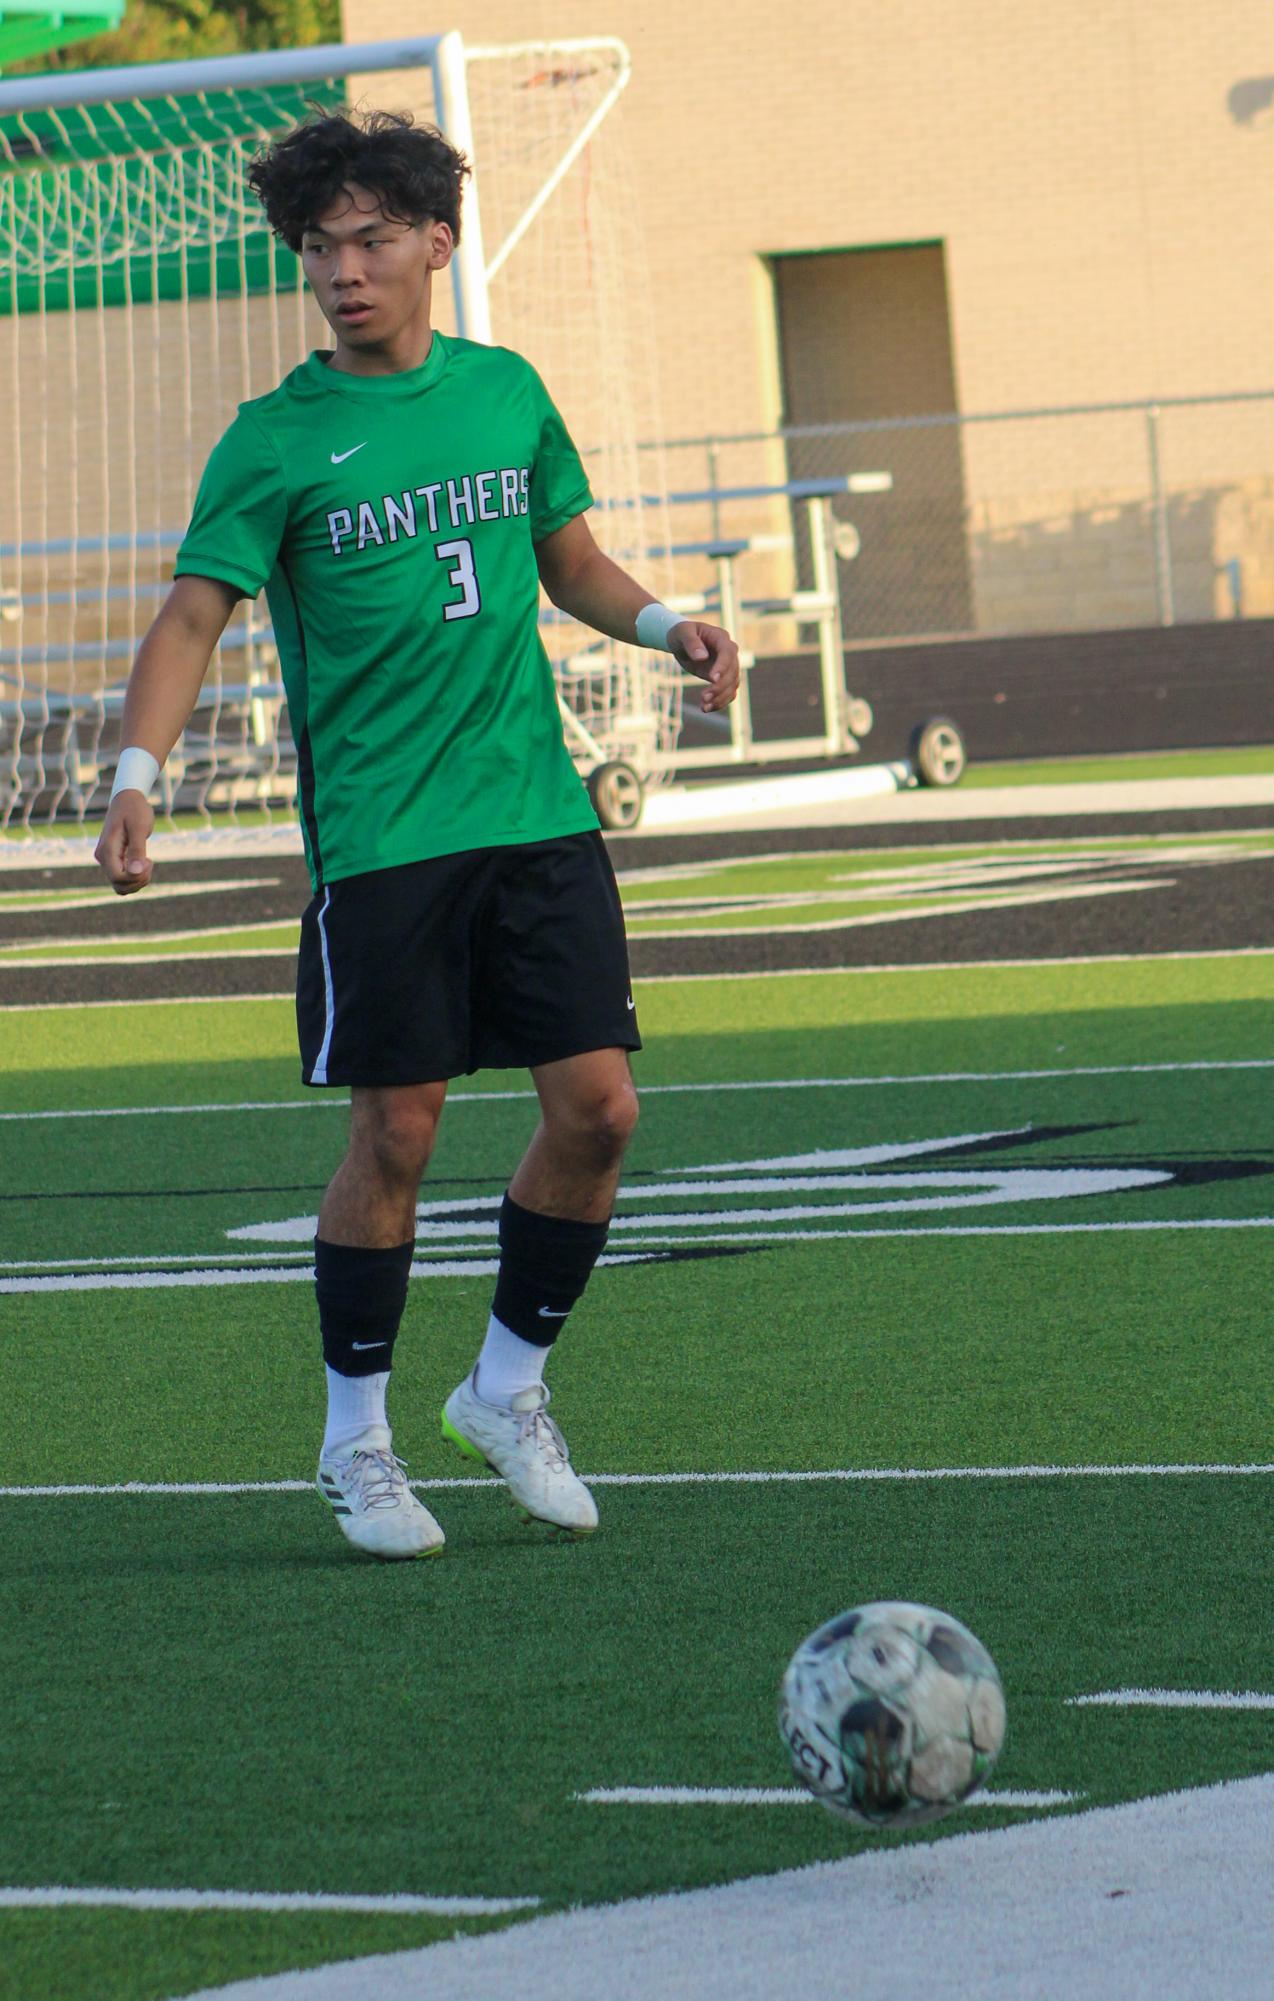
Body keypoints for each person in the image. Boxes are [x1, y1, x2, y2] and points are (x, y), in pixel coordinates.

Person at [93, 109, 740, 1560]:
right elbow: (192, 613)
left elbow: (562, 556)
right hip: (385, 839)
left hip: (532, 813)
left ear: (437, 242)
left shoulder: (504, 393)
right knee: (394, 1132)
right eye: (319, 247)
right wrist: (138, 769)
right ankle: (358, 1442)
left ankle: (505, 1390)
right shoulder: (274, 439)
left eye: (372, 238)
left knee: (602, 1111)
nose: (343, 270)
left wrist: (661, 622)